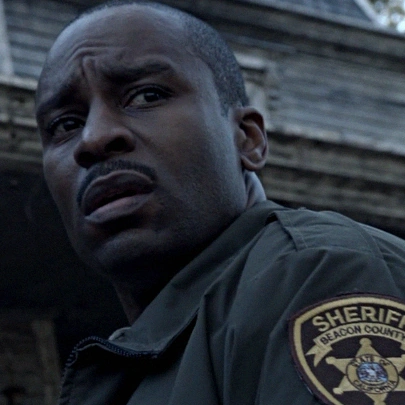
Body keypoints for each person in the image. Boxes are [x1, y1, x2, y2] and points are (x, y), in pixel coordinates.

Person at [35, 1, 405, 404]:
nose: (93, 139)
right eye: (65, 124)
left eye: (146, 95)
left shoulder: (317, 273)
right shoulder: (144, 358)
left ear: (247, 139)